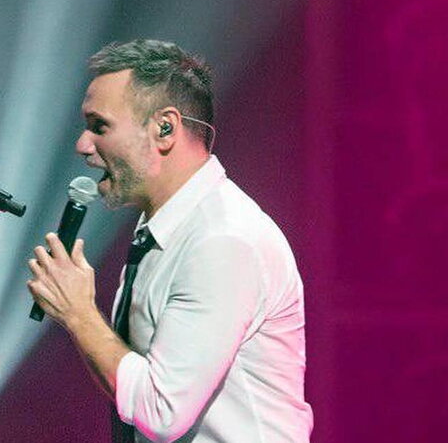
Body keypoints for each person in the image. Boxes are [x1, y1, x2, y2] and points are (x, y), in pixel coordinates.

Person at [25, 39, 313, 442]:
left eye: (99, 126)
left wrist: (79, 313)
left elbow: (161, 411)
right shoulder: (168, 230)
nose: (83, 145)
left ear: (165, 128)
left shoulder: (222, 241)